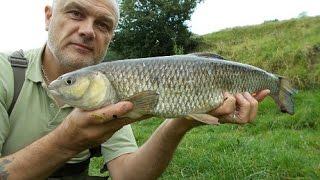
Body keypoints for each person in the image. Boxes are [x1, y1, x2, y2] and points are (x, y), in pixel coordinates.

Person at [0, 0, 270, 179]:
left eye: (102, 24)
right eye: (75, 13)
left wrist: (182, 121)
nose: (87, 31)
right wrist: (68, 140)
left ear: (110, 37)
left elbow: (128, 174)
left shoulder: (109, 90)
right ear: (48, 17)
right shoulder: (6, 72)